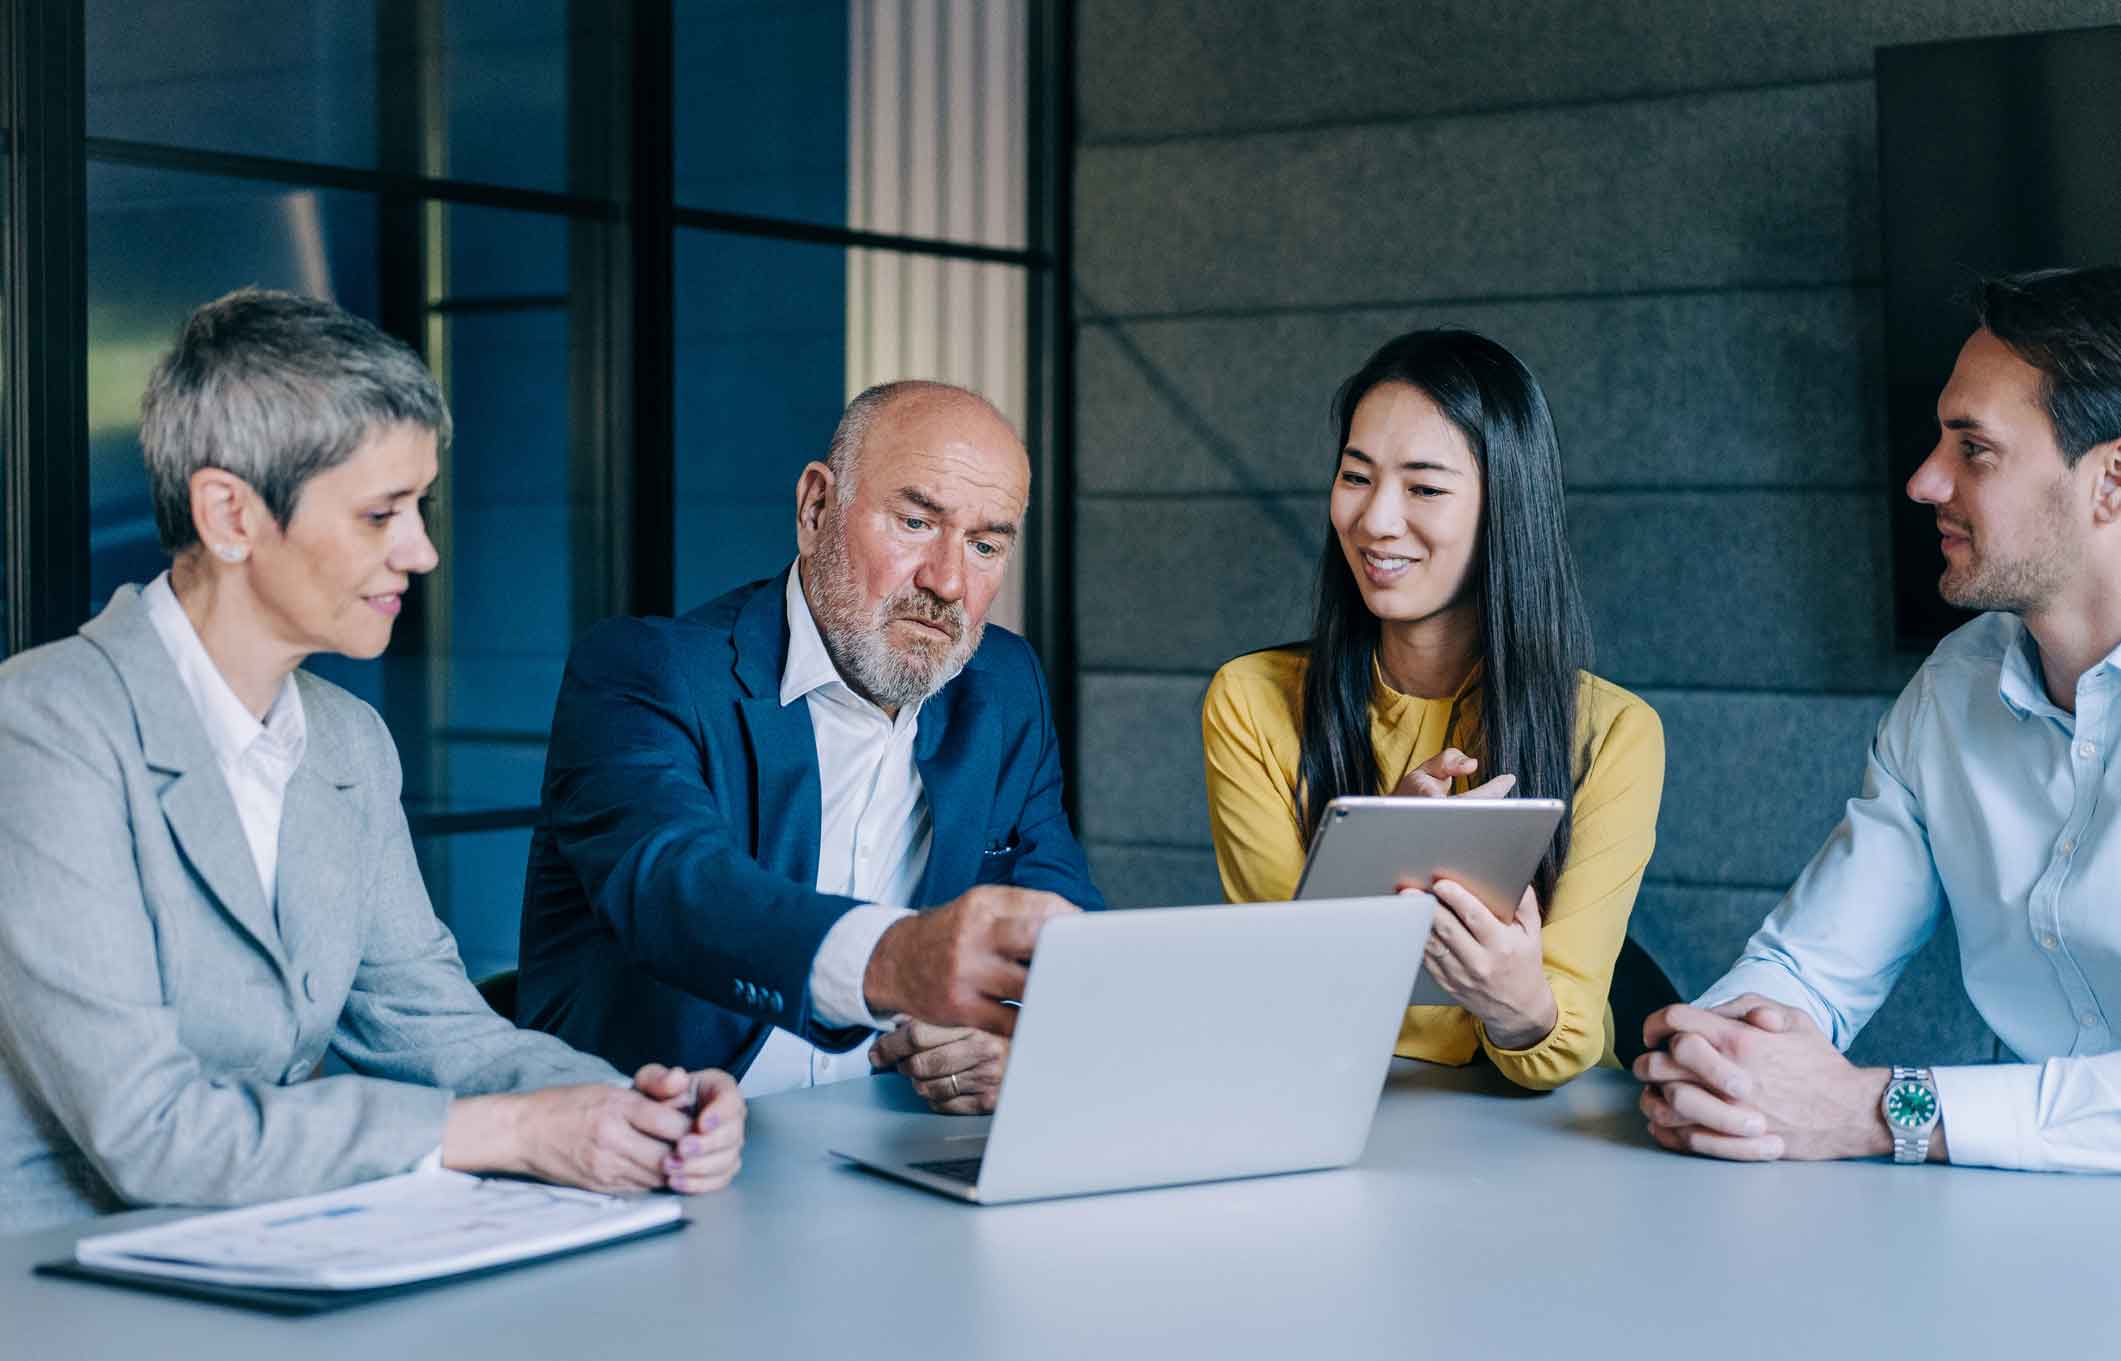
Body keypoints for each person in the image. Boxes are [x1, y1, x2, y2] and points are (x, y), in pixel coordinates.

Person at [0, 291, 743, 1236]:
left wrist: (629, 1111)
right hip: (47, 1289)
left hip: (269, 1251)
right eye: (381, 513)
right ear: (229, 513)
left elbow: (433, 1023)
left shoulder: (347, 740)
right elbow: (151, 1132)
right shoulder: (45, 725)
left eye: (419, 506)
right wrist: (508, 1131)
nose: (422, 550)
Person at [1636, 267, 2121, 1172]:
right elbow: (1811, 965)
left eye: (1972, 449)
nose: (1924, 481)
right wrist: (1719, 1060)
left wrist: (1880, 1109)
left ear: (2110, 482)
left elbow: (1864, 1109)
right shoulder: (1954, 688)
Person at [518, 380, 1102, 1115]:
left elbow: (1062, 917)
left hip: (896, 1137)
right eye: (917, 523)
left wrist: (1013, 1036)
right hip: (659, 1143)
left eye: (984, 545)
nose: (948, 583)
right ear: (816, 508)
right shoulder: (646, 670)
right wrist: (897, 959)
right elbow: (674, 888)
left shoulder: (1002, 685)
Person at [1201, 330, 1664, 1090]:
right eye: (1356, 476)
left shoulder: (1610, 733)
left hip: (1541, 1137)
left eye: (1423, 487)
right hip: (1331, 1100)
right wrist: (1376, 860)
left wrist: (1515, 1005)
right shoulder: (1253, 700)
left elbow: (1567, 1036)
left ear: (1503, 507)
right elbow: (1280, 995)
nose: (1375, 520)